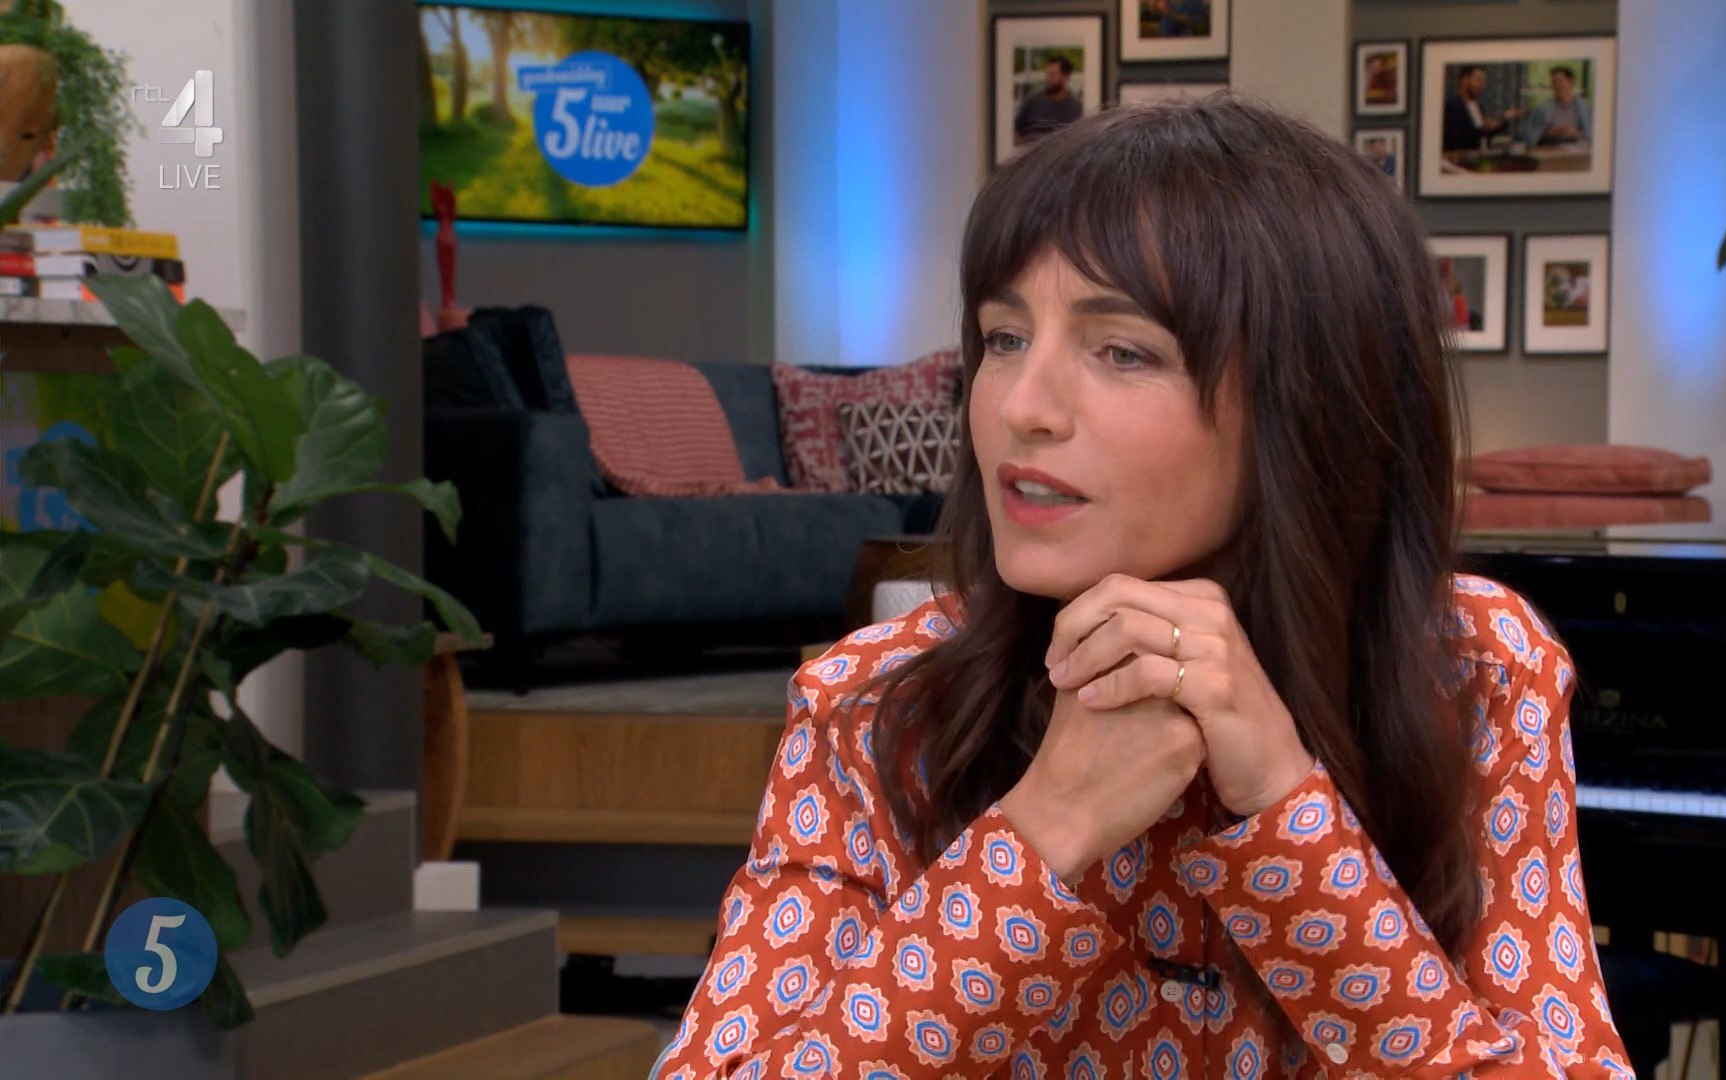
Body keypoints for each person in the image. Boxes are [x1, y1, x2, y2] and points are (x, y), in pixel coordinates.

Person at [654, 95, 1632, 1079]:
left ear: (1310, 401)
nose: (1023, 407)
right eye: (1003, 338)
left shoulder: (1474, 668)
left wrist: (1287, 811)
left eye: (1122, 351)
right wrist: (1044, 829)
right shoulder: (877, 702)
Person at [1442, 65, 1523, 154]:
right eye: (1478, 80)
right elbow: (1455, 140)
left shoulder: (1478, 106)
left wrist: (1505, 118)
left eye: (1483, 81)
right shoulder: (1452, 106)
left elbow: (1484, 132)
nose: (1481, 85)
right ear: (1465, 80)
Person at [1013, 56, 1083, 146]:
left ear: (1065, 77)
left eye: (1053, 75)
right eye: (1047, 74)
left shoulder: (1075, 108)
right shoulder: (1033, 100)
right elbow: (1017, 130)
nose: (1048, 79)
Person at [1520, 66, 1593, 149]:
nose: (1557, 86)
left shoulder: (1584, 108)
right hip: (1549, 151)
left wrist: (1576, 133)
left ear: (1570, 82)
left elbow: (1593, 134)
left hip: (1578, 151)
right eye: (1554, 82)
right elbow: (1530, 137)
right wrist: (1550, 133)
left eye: (1559, 81)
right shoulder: (1542, 109)